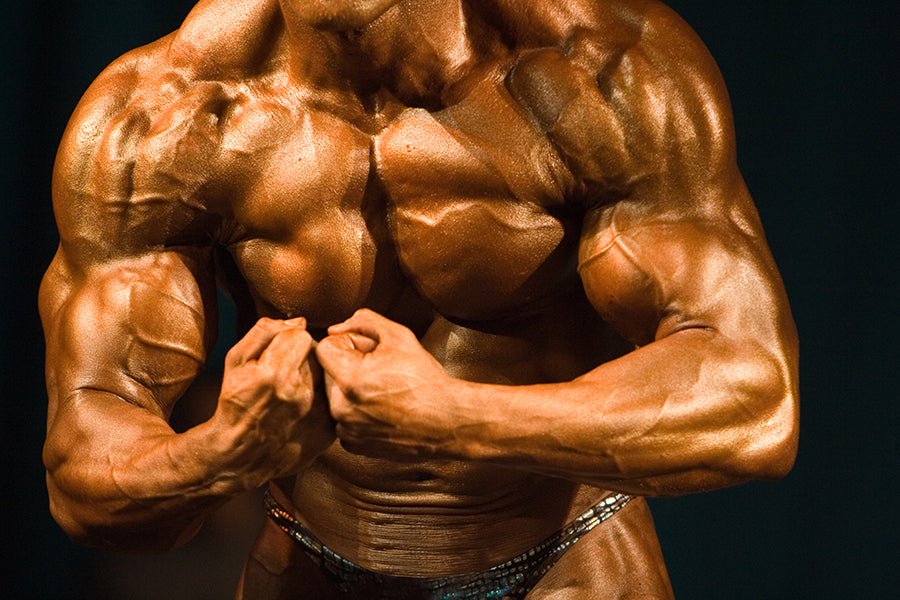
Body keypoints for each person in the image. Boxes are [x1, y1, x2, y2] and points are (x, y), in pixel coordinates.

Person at [39, 1, 799, 598]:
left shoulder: (601, 69)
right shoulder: (162, 119)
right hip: (312, 575)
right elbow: (81, 473)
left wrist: (457, 418)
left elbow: (754, 399)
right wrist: (219, 452)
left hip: (568, 574)